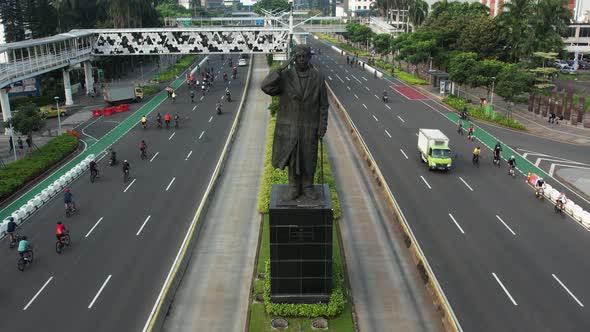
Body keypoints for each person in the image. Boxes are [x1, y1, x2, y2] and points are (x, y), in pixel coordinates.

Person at [261, 44, 329, 201]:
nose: (302, 59)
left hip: (310, 127)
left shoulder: (318, 78)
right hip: (290, 127)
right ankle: (293, 187)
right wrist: (280, 68)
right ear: (294, 58)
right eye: (298, 56)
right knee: (293, 158)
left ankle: (308, 186)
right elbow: (265, 86)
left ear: (309, 57)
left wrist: (322, 125)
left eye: (304, 56)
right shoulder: (285, 77)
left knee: (309, 156)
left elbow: (323, 105)